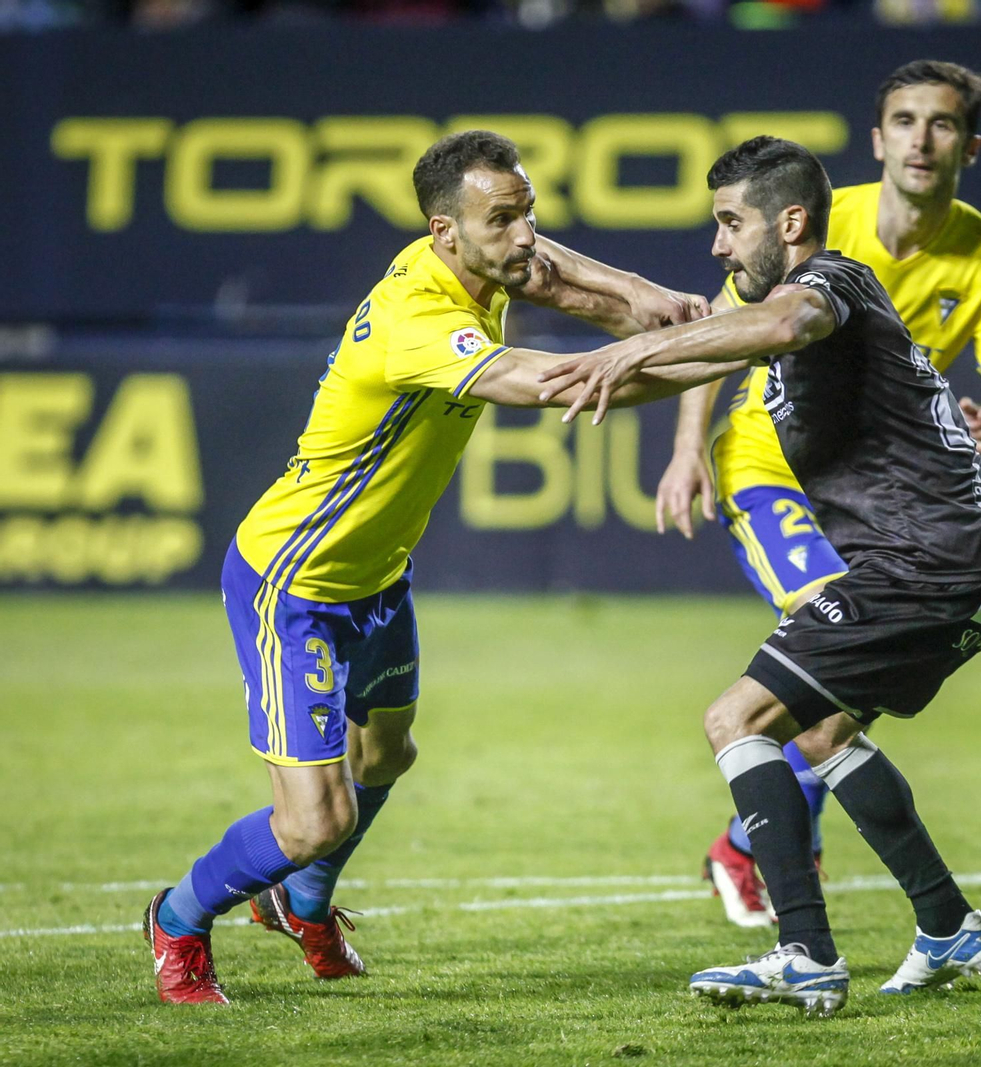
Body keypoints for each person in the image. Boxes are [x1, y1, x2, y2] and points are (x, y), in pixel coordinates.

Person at [141, 129, 739, 1005]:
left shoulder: (475, 258)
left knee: (387, 753)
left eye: (528, 210)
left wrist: (653, 300)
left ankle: (300, 904)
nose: (525, 235)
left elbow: (556, 272)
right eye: (505, 219)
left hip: (378, 576)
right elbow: (553, 385)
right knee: (318, 819)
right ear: (443, 232)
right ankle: (178, 917)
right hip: (294, 582)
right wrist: (709, 349)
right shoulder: (415, 320)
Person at [536, 135, 981, 1016]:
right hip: (965, 575)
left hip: (922, 570)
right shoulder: (782, 311)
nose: (718, 245)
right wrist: (609, 346)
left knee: (736, 716)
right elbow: (696, 354)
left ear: (790, 222)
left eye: (730, 223)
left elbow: (786, 322)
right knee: (823, 730)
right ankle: (948, 923)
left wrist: (629, 356)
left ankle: (804, 950)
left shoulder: (828, 284)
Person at [654, 59, 981, 928]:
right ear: (878, 138)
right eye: (904, 120)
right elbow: (724, 331)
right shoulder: (819, 223)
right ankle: (800, 877)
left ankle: (767, 857)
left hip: (874, 499)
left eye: (940, 124)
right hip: (766, 468)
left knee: (820, 707)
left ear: (968, 146)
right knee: (818, 670)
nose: (920, 139)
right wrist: (687, 450)